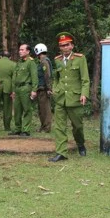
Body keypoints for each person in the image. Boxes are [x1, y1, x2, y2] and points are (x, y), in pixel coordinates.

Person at [49, 32, 90, 162]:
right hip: (60, 98)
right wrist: (55, 89)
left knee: (77, 126)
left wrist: (84, 93)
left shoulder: (79, 58)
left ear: (72, 46)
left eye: (67, 45)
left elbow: (85, 79)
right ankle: (61, 152)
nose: (64, 48)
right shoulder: (57, 60)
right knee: (59, 127)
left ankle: (80, 144)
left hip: (75, 98)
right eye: (62, 46)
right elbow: (57, 78)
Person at [9, 43, 38, 136]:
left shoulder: (31, 62)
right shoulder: (19, 62)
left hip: (26, 88)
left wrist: (34, 90)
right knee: (17, 110)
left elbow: (34, 77)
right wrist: (13, 90)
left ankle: (25, 130)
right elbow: (14, 77)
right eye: (19, 50)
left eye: (22, 50)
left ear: (28, 51)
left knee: (27, 109)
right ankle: (17, 129)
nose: (20, 51)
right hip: (17, 89)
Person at [34, 43, 53, 133]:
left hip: (44, 88)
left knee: (46, 109)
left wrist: (49, 88)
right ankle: (43, 126)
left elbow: (47, 75)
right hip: (40, 88)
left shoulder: (44, 61)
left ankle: (47, 127)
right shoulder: (42, 61)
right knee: (41, 109)